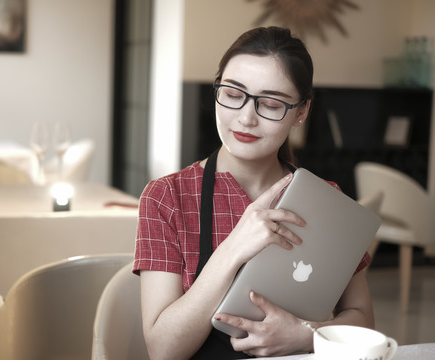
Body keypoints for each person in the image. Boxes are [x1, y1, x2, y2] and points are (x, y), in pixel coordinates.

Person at [133, 26, 374, 359]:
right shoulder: (167, 197)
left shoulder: (327, 199)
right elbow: (163, 349)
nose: (246, 118)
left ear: (301, 112)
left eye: (271, 104)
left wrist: (306, 336)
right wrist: (233, 248)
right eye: (233, 94)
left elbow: (364, 321)